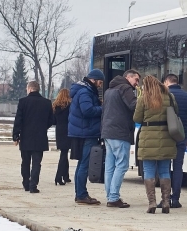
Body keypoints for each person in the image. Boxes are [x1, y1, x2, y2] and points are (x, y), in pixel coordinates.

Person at [133, 75, 178, 214]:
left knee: (149, 170)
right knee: (165, 170)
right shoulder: (169, 97)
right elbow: (176, 113)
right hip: (166, 137)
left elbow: (137, 118)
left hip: (148, 138)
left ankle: (152, 203)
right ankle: (165, 202)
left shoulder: (143, 99)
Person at [100, 69, 141, 208]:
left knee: (110, 166)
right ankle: (113, 197)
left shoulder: (109, 90)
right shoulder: (125, 88)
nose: (137, 83)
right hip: (120, 132)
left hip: (108, 132)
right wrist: (144, 99)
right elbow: (133, 105)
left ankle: (110, 196)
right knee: (122, 165)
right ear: (128, 77)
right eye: (136, 80)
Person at [12, 81, 55, 194]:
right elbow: (51, 120)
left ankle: (26, 183)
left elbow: (18, 120)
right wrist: (43, 127)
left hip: (26, 137)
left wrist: (16, 136)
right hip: (40, 137)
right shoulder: (47, 103)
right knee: (37, 163)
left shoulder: (23, 102)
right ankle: (33, 185)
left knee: (25, 162)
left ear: (30, 89)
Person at [69, 69, 104, 205]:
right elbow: (87, 110)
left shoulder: (84, 90)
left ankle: (80, 193)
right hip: (87, 132)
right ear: (93, 80)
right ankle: (81, 194)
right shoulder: (85, 92)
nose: (100, 85)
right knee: (84, 164)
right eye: (100, 82)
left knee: (81, 164)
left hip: (82, 131)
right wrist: (103, 107)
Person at [163, 73, 187, 209]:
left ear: (166, 82)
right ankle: (175, 199)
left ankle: (165, 199)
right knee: (178, 168)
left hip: (166, 137)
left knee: (165, 167)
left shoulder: (164, 96)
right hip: (182, 137)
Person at [52, 88, 72, 186]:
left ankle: (65, 175)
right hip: (68, 130)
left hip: (59, 130)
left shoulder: (55, 106)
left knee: (64, 152)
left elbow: (53, 120)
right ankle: (58, 176)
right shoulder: (70, 106)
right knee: (64, 154)